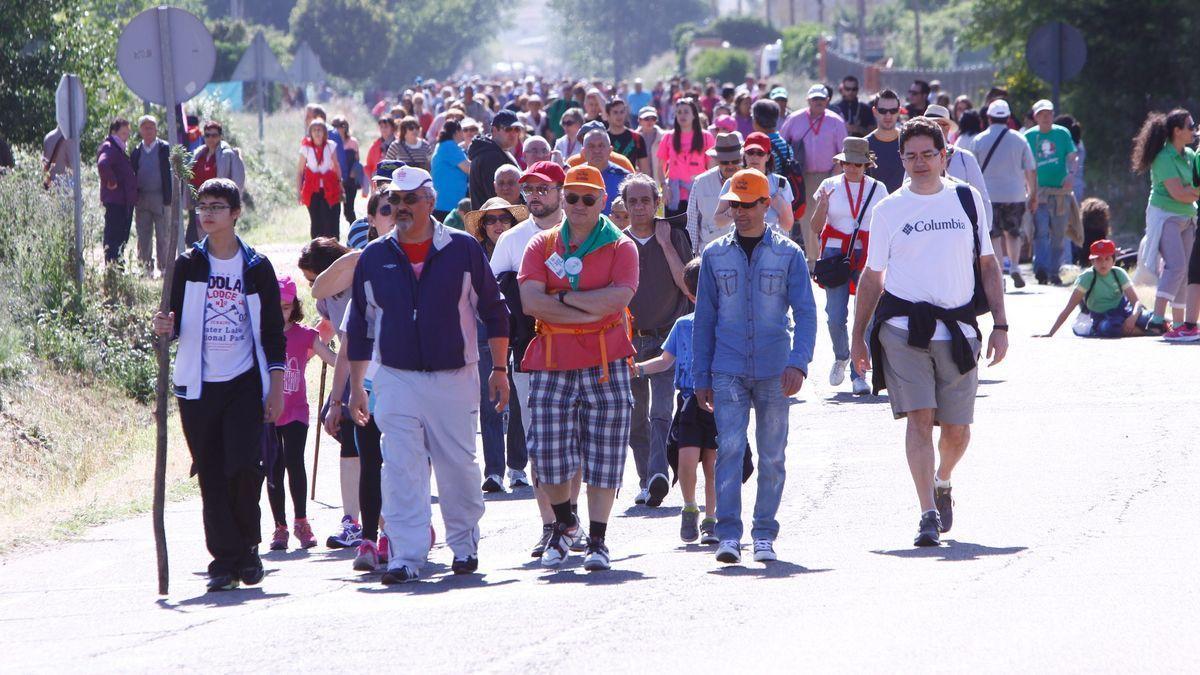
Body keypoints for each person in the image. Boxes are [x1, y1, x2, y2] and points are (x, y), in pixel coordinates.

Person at [345, 166, 510, 584]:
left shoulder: (462, 249)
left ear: (430, 203)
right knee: (400, 466)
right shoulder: (374, 256)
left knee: (457, 466)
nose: (400, 208)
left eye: (408, 200)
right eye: (393, 202)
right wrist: (355, 387)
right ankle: (406, 553)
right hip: (395, 377)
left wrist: (501, 369)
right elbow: (362, 325)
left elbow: (494, 310)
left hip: (454, 375)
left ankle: (463, 545)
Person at [850, 117, 1008, 547]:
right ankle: (926, 514)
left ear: (944, 156)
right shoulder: (888, 209)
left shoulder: (968, 199)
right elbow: (872, 275)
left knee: (956, 429)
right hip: (903, 331)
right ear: (900, 159)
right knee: (919, 420)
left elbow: (988, 265)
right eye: (911, 156)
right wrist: (857, 337)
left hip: (957, 329)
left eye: (928, 155)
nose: (919, 163)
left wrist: (1001, 325)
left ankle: (943, 480)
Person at [150, 178, 285, 592]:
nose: (206, 213)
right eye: (202, 205)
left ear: (235, 213)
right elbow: (167, 322)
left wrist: (276, 386)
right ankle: (225, 560)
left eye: (216, 206)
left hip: (244, 381)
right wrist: (161, 327)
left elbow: (273, 332)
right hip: (197, 386)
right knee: (210, 472)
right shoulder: (188, 265)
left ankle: (248, 547)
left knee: (243, 466)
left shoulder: (256, 266)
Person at [517, 164, 640, 571]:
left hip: (607, 364)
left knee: (604, 455)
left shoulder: (622, 246)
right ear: (562, 198)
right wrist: (588, 304)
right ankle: (565, 525)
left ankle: (599, 540)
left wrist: (563, 301)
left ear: (603, 201)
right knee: (548, 455)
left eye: (589, 198)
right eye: (572, 197)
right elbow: (531, 302)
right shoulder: (542, 244)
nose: (580, 205)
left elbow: (617, 301)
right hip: (552, 360)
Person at [693, 168, 817, 565]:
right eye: (734, 204)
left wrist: (799, 362)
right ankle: (728, 534)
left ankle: (764, 533)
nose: (740, 211)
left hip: (775, 369)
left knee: (772, 455)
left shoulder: (789, 254)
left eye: (748, 204)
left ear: (766, 204)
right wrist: (700, 376)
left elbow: (806, 312)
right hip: (727, 368)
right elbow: (704, 319)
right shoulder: (714, 255)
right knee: (728, 449)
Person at [489, 161, 587, 556]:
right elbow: (496, 301)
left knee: (576, 442)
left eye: (543, 189)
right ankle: (550, 526)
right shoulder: (511, 240)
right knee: (540, 444)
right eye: (528, 189)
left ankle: (573, 519)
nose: (534, 196)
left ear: (562, 191)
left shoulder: (584, 232)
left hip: (581, 351)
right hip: (530, 355)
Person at [633, 258, 719, 543]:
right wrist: (639, 368)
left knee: (713, 464)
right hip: (688, 402)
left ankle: (711, 519)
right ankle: (690, 507)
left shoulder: (726, 324)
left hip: (720, 402)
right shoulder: (682, 325)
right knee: (686, 461)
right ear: (691, 295)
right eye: (699, 291)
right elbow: (665, 360)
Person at [620, 173, 692, 506]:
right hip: (630, 342)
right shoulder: (617, 243)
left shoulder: (674, 236)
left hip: (667, 337)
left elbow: (687, 286)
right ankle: (647, 479)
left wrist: (664, 243)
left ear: (656, 202)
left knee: (661, 410)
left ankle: (658, 474)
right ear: (624, 205)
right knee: (635, 416)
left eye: (645, 200)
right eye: (632, 201)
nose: (639, 207)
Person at [463, 197, 531, 494]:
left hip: (523, 332)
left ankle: (517, 466)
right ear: (482, 226)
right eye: (491, 220)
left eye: (504, 218)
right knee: (491, 403)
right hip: (484, 332)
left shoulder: (524, 246)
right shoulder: (472, 254)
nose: (498, 225)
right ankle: (494, 472)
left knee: (519, 401)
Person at [808, 137, 885, 395]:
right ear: (841, 163)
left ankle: (859, 373)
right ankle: (841, 356)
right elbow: (815, 227)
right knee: (835, 316)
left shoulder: (878, 188)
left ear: (866, 165)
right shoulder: (828, 185)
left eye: (858, 164)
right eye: (847, 163)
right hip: (834, 253)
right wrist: (823, 205)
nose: (852, 169)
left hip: (867, 252)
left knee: (866, 318)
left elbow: (886, 226)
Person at [268, 276, 337, 551]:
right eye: (276, 306)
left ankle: (301, 521)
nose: (281, 312)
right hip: (269, 411)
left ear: (294, 307)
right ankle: (280, 527)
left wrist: (355, 370)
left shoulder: (306, 335)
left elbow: (332, 359)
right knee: (274, 467)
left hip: (296, 410)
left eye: (286, 307)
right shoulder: (262, 336)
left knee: (294, 462)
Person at [1132, 108, 1198, 334]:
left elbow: (1189, 191)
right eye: (1190, 126)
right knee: (1176, 265)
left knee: (1186, 270)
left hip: (1187, 215)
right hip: (1165, 216)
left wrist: (1192, 191)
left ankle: (1179, 323)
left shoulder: (1189, 156)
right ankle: (1158, 318)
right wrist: (1194, 191)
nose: (1194, 130)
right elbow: (1178, 193)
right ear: (1177, 131)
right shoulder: (1163, 158)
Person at [781, 84, 849, 263]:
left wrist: (834, 175)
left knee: (833, 216)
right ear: (808, 100)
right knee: (808, 217)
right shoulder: (794, 119)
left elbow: (844, 150)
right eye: (815, 99)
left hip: (830, 175)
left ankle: (829, 256)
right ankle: (813, 260)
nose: (818, 102)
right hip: (803, 176)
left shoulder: (835, 121)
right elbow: (782, 143)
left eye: (821, 99)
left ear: (827, 100)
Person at [974, 99, 1038, 287]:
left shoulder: (979, 140)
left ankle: (999, 273)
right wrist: (1032, 193)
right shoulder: (1020, 139)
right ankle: (1016, 267)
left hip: (988, 195)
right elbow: (1030, 169)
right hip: (1015, 194)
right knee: (1013, 233)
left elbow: (973, 169)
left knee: (994, 236)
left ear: (988, 117)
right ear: (1008, 118)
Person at [1036, 240, 1145, 339]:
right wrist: (1051, 333)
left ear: (1113, 260)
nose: (1103, 263)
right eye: (1098, 259)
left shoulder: (1119, 273)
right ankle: (1145, 331)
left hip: (1124, 311)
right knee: (1110, 329)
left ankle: (1147, 329)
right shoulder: (1087, 277)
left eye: (1107, 259)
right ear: (1092, 262)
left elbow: (1136, 302)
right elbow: (1069, 307)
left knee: (1151, 320)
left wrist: (1133, 318)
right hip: (1102, 318)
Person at [1025, 99, 1078, 285]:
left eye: (1049, 113)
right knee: (1040, 231)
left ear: (1053, 115)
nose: (1046, 117)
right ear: (1036, 117)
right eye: (1042, 114)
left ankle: (1055, 271)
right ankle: (1041, 269)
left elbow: (1072, 157)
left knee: (1058, 232)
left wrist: (1071, 174)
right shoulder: (1029, 136)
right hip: (1039, 192)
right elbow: (1024, 165)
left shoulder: (1062, 134)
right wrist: (1028, 188)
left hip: (1059, 193)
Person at [922, 105, 992, 230]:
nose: (931, 131)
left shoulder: (965, 158)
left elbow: (982, 198)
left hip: (961, 230)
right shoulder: (916, 159)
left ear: (947, 128)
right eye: (926, 127)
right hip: (926, 229)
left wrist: (984, 235)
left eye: (937, 126)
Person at [713, 132, 796, 236]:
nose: (755, 157)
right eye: (750, 152)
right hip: (741, 245)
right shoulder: (733, 182)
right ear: (744, 155)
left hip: (772, 247)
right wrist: (737, 207)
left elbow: (787, 226)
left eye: (760, 153)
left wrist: (781, 207)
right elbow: (718, 222)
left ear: (768, 156)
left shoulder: (781, 184)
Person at [657, 98, 716, 222]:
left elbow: (712, 167)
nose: (682, 115)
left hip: (698, 193)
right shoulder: (668, 137)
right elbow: (660, 166)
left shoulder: (706, 137)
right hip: (674, 195)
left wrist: (709, 191)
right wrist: (664, 187)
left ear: (694, 115)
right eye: (679, 112)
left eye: (686, 112)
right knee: (674, 234)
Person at [187, 121, 246, 245]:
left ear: (220, 136)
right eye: (207, 135)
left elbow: (237, 179)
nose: (210, 139)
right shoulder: (199, 154)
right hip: (201, 202)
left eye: (214, 135)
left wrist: (233, 202)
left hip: (220, 203)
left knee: (218, 235)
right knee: (200, 237)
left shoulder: (228, 155)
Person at [686, 132, 744, 254]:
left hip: (742, 253)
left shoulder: (751, 180)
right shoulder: (701, 182)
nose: (730, 165)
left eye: (735, 161)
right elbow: (692, 222)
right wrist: (693, 255)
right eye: (725, 162)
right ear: (717, 161)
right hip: (709, 253)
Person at [130, 115, 172, 275]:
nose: (148, 131)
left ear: (156, 129)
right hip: (142, 200)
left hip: (162, 199)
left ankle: (165, 268)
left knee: (163, 235)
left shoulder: (165, 148)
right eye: (145, 127)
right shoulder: (136, 151)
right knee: (143, 236)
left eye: (151, 127)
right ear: (140, 130)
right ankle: (146, 268)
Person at [97, 117, 138, 265]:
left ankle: (117, 268)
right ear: (114, 132)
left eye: (128, 133)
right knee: (114, 238)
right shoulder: (110, 146)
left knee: (121, 238)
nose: (126, 136)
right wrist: (111, 181)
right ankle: (113, 269)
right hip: (116, 202)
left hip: (123, 202)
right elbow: (103, 163)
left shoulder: (118, 148)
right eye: (123, 133)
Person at [298, 118, 343, 240]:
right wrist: (298, 192)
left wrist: (341, 186)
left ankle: (332, 247)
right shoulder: (306, 148)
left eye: (320, 130)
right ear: (310, 133)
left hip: (329, 187)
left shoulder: (331, 146)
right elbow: (300, 171)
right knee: (316, 221)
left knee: (330, 219)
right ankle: (316, 249)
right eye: (314, 130)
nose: (317, 133)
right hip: (312, 189)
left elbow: (336, 165)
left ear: (324, 132)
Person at [468, 110, 521, 208]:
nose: (513, 133)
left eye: (517, 129)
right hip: (496, 219)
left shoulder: (493, 151)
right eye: (508, 129)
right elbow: (497, 199)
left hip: (493, 219)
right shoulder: (491, 156)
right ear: (494, 130)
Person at [579, 126, 630, 215]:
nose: (597, 150)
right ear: (583, 152)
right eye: (591, 146)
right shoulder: (575, 176)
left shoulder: (624, 178)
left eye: (601, 146)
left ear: (610, 150)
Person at [431, 119, 471, 221]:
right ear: (457, 132)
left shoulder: (443, 145)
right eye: (462, 130)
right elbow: (469, 169)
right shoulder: (449, 146)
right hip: (448, 205)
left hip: (443, 203)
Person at [866, 89, 904, 194]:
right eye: (883, 111)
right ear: (875, 111)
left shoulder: (910, 143)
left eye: (893, 111)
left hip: (904, 206)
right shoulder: (863, 146)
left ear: (899, 111)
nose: (888, 115)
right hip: (873, 207)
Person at [331, 116, 364, 223]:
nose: (339, 128)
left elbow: (357, 161)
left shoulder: (353, 142)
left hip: (350, 180)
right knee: (334, 210)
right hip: (335, 180)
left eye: (342, 125)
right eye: (336, 126)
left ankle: (355, 232)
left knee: (349, 211)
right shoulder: (331, 143)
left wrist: (354, 173)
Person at [605, 99, 649, 174]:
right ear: (608, 115)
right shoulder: (603, 139)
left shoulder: (637, 137)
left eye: (622, 112)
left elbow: (645, 170)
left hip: (630, 183)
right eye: (615, 112)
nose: (619, 116)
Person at [365, 117, 397, 188]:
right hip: (378, 180)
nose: (383, 129)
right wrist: (372, 181)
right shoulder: (375, 145)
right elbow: (369, 166)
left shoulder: (399, 144)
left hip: (396, 179)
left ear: (392, 128)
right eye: (381, 127)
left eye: (386, 127)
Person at [637, 107, 666, 178]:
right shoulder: (633, 138)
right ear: (639, 120)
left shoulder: (664, 137)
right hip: (640, 181)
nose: (650, 121)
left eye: (653, 118)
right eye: (646, 119)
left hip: (660, 181)